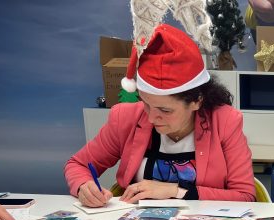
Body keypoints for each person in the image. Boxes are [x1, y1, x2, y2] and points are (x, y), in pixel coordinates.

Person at [65, 24, 256, 207]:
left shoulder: (224, 121)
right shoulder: (126, 117)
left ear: (197, 101)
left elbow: (245, 196)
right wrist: (84, 186)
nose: (150, 118)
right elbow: (78, 165)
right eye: (146, 104)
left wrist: (174, 190)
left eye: (165, 111)